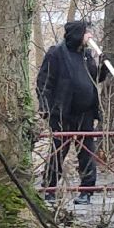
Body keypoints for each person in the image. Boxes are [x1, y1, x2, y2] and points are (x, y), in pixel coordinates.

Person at [36, 18, 105, 200]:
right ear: (77, 34)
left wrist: (103, 66)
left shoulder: (86, 54)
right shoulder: (56, 53)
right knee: (58, 152)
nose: (89, 36)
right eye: (86, 32)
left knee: (87, 152)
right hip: (62, 114)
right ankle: (49, 190)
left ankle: (86, 192)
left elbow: (94, 78)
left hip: (86, 114)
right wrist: (45, 107)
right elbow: (44, 82)